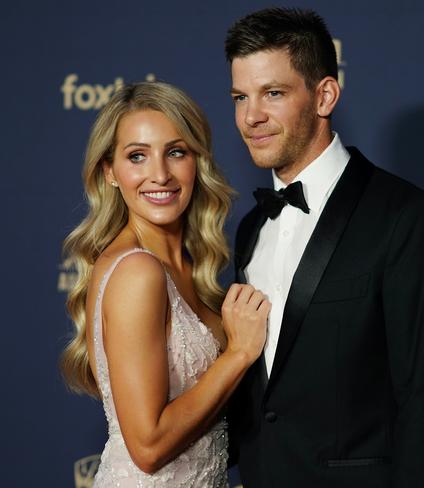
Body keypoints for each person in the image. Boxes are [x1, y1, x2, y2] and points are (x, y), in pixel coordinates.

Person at [225, 8, 424, 487]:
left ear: (325, 95)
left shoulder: (410, 219)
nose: (251, 116)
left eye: (272, 93)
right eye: (240, 97)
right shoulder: (251, 225)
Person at [60, 81, 269, 487]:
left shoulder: (182, 266)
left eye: (176, 152)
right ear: (110, 173)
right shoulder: (138, 271)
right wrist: (239, 352)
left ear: (197, 162)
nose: (159, 174)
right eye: (137, 156)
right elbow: (149, 447)